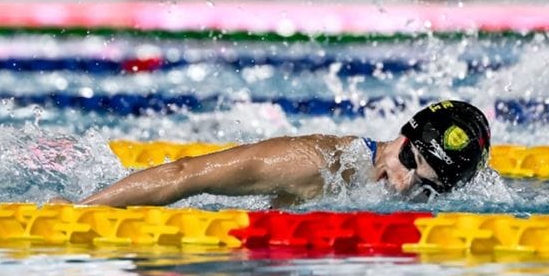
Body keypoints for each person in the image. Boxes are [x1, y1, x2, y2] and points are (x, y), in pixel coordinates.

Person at [70, 100, 491, 208]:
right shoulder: (315, 163)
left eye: (427, 185)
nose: (404, 184)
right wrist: (82, 209)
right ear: (403, 138)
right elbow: (185, 175)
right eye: (411, 164)